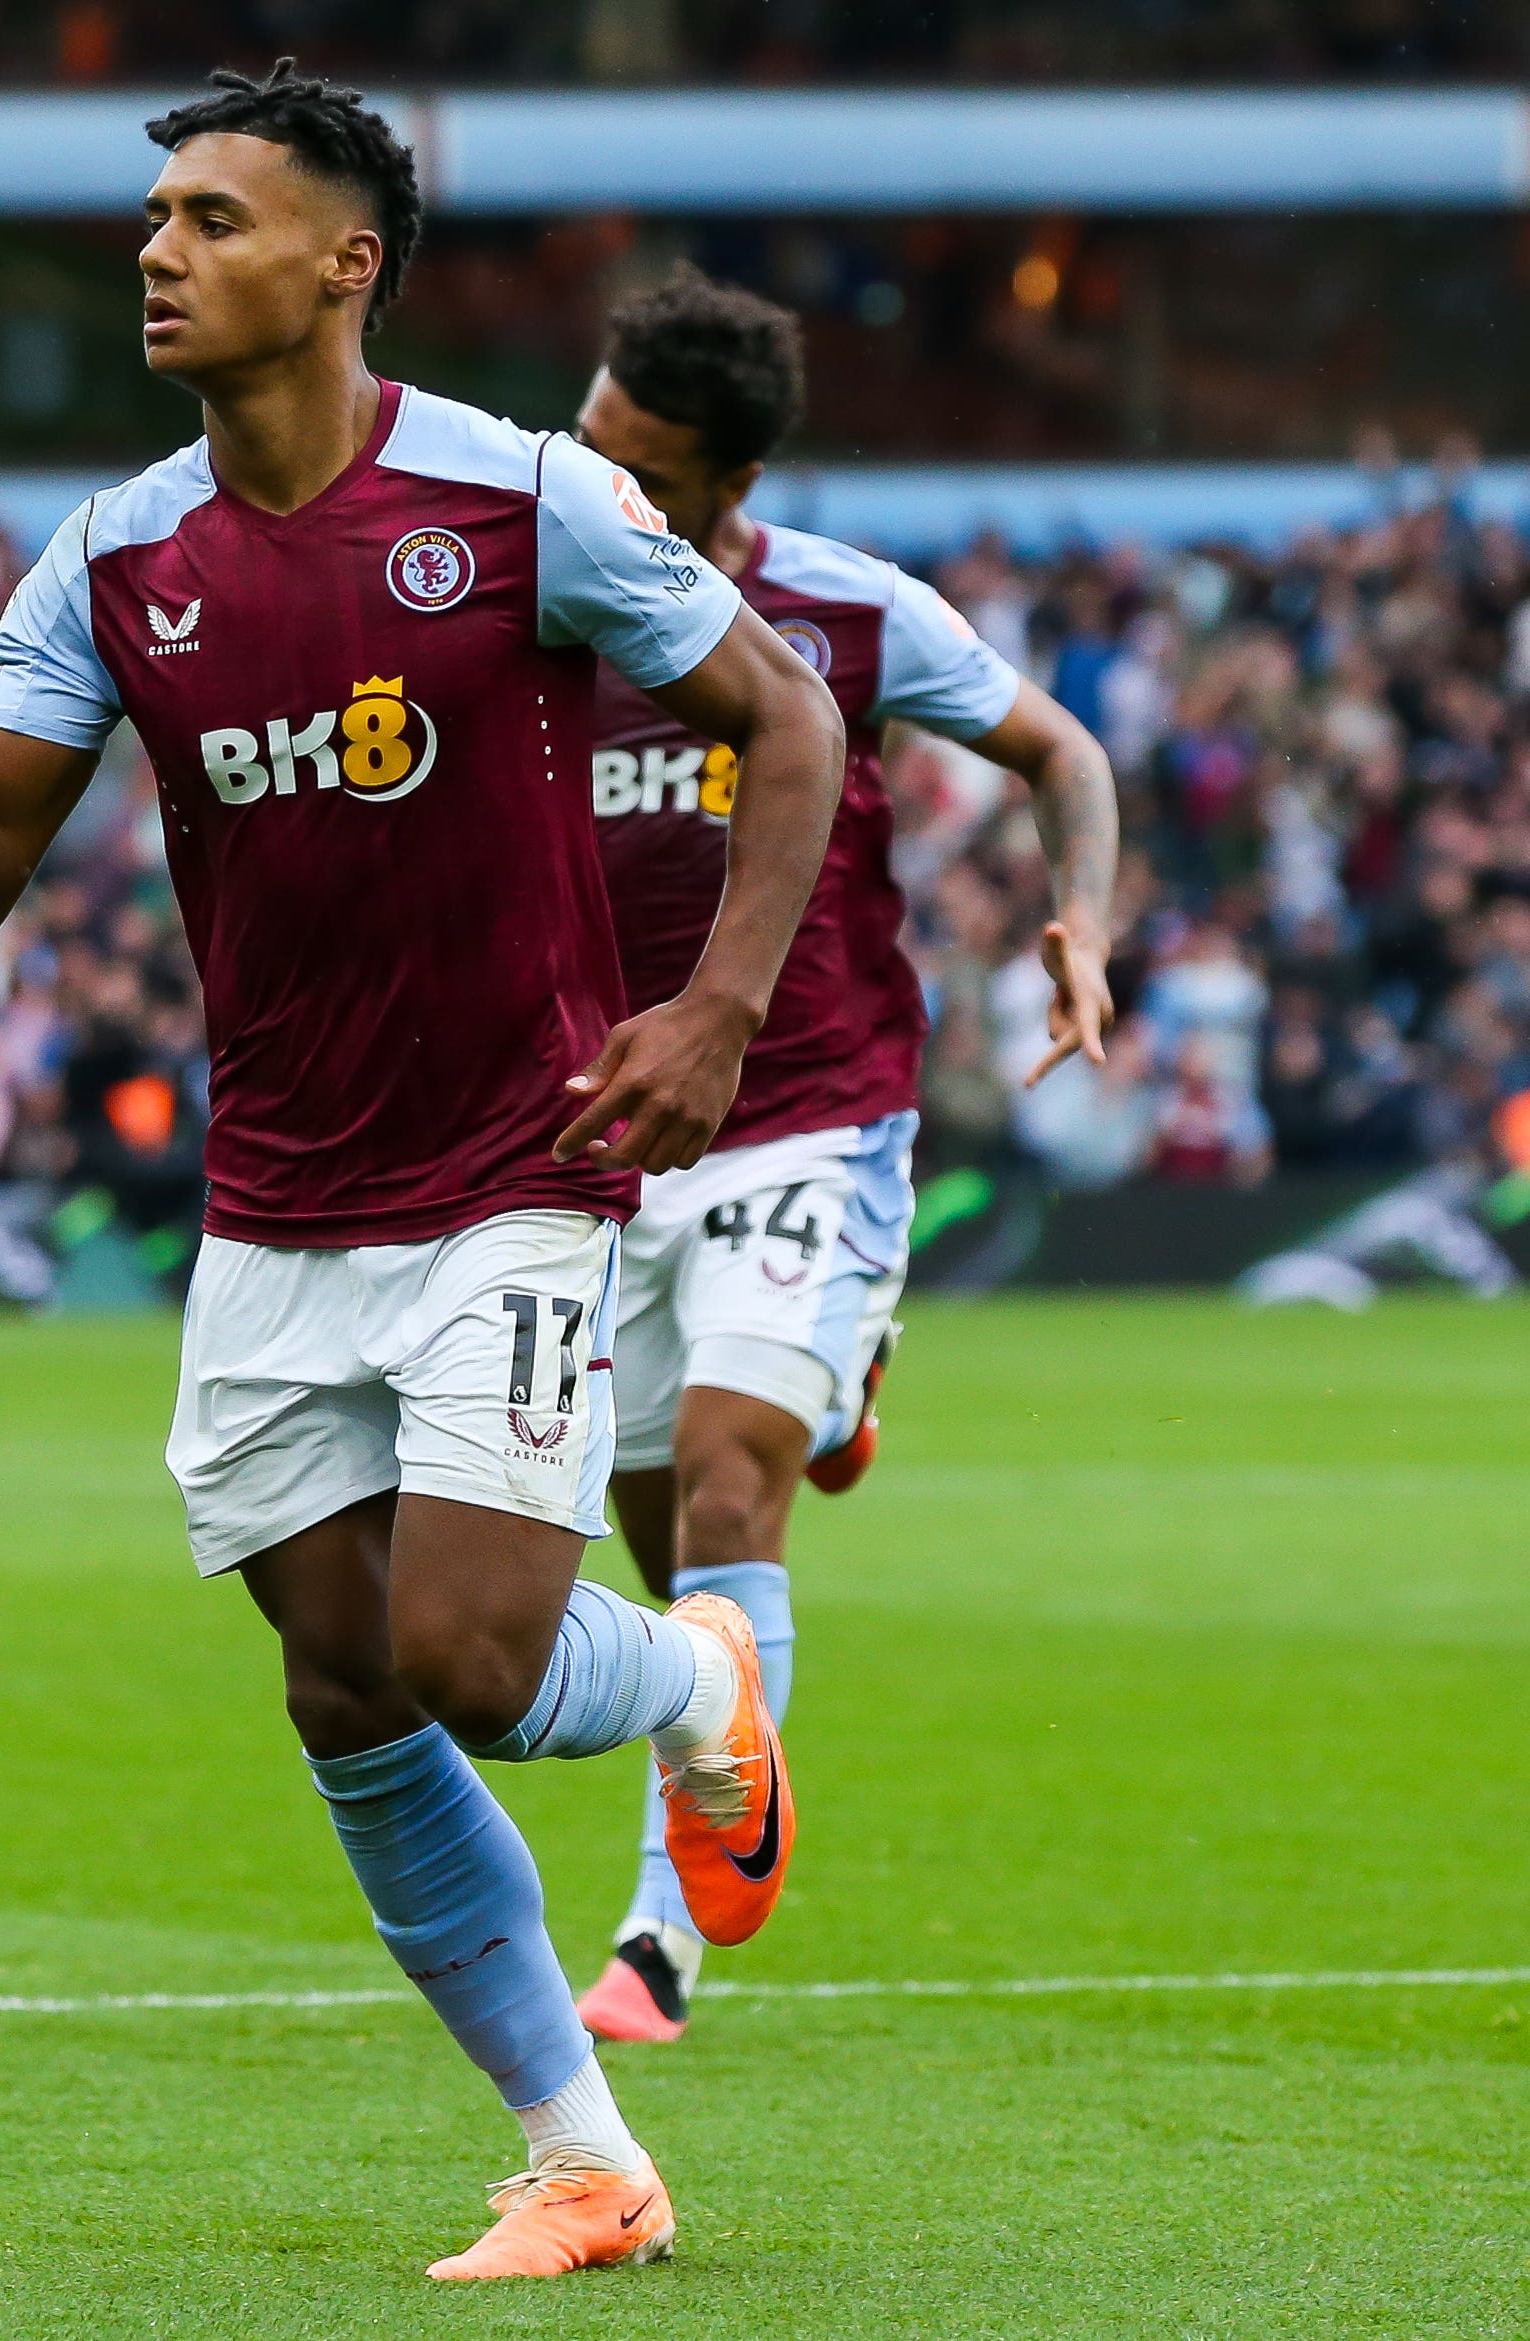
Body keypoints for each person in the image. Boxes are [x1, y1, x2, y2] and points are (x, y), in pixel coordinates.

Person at [0, 61, 848, 2281]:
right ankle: (587, 2160)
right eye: (154, 217)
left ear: (343, 262)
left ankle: (694, 1691)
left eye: (209, 217)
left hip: (513, 1168)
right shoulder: (116, 558)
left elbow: (796, 719)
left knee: (470, 1652)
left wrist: (719, 1010)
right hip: (279, 1203)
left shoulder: (523, 498)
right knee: (338, 1684)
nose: (157, 252)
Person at [562, 270, 1119, 2046]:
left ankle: (663, 1937)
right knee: (659, 1537)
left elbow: (1058, 749)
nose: (598, 482)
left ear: (723, 485)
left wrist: (1082, 920)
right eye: (589, 439)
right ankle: (842, 1372)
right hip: (613, 1129)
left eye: (637, 465)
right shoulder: (532, 600)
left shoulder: (837, 613)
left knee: (733, 1486)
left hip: (813, 1106)